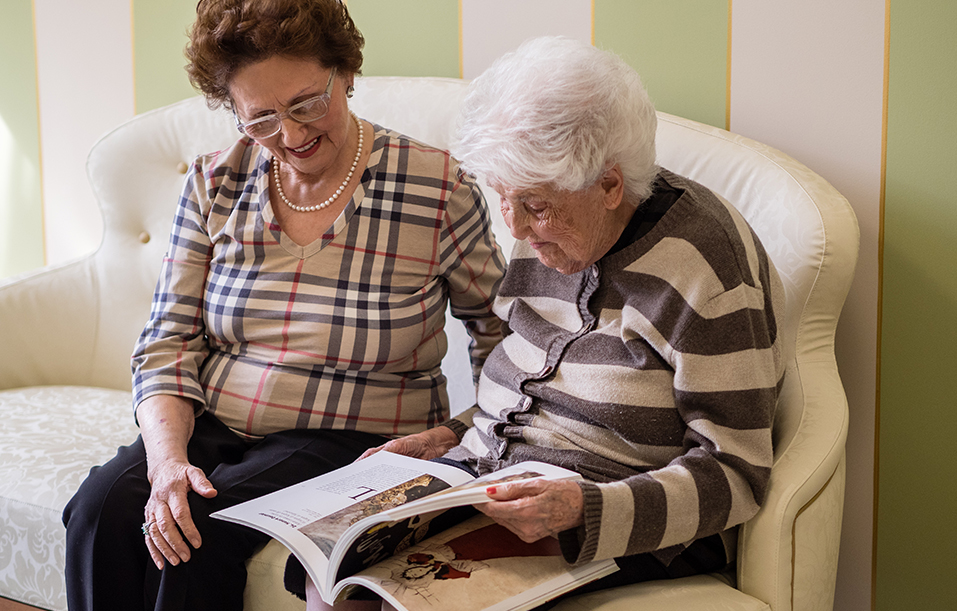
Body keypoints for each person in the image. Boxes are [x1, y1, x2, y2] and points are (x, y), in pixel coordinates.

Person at [61, 1, 506, 609]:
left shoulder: (437, 187)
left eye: (306, 104)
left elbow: (504, 338)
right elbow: (168, 340)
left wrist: (467, 440)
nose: (292, 136)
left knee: (199, 532)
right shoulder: (214, 183)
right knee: (99, 509)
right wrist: (167, 461)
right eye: (262, 119)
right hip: (215, 423)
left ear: (345, 74)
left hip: (356, 437)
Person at [314, 36, 786, 610]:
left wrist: (581, 509)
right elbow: (537, 386)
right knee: (331, 573)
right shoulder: (549, 229)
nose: (516, 231)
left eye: (534, 206)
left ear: (610, 185)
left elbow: (735, 470)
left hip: (614, 509)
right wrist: (452, 434)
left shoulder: (706, 263)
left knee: (408, 601)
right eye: (504, 200)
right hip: (489, 477)